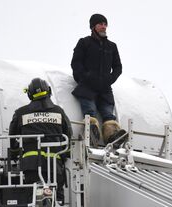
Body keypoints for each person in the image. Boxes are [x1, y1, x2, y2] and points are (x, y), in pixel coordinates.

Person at [9, 78, 72, 195]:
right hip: (54, 164)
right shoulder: (59, 112)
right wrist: (65, 155)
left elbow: (12, 137)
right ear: (48, 91)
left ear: (29, 94)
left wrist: (14, 153)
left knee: (32, 197)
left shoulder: (20, 113)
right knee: (56, 197)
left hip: (30, 165)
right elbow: (68, 135)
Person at [71, 13, 125, 147]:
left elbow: (118, 67)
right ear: (93, 26)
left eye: (105, 24)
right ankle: (90, 134)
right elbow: (76, 63)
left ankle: (112, 137)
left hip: (105, 89)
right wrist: (84, 78)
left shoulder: (112, 46)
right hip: (87, 87)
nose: (103, 26)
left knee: (108, 114)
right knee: (89, 112)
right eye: (100, 24)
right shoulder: (84, 42)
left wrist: (109, 79)